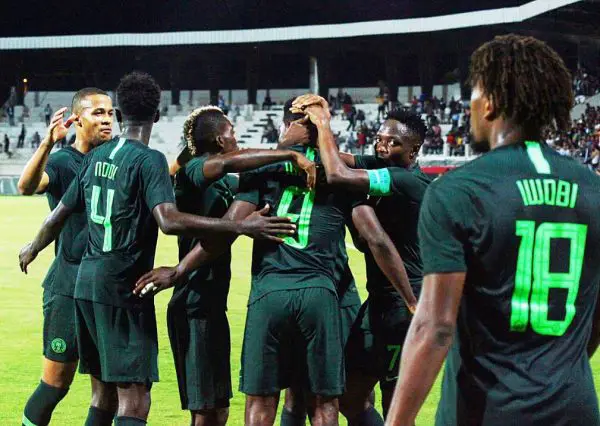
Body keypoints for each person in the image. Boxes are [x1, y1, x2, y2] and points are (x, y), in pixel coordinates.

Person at [18, 72, 295, 426]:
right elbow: (167, 220)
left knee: (104, 392)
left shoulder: (96, 156)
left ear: (120, 115)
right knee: (135, 400)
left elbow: (58, 214)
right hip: (123, 286)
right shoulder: (148, 160)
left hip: (85, 285)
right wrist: (241, 226)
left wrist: (33, 247)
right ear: (158, 115)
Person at [387, 34, 600, 426]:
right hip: (574, 409)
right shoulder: (593, 188)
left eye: (474, 93)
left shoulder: (457, 191)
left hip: (486, 412)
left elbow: (435, 327)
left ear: (490, 103)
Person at [133, 105, 315, 426]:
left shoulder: (222, 183)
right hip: (192, 303)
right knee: (205, 413)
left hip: (213, 302)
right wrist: (287, 152)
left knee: (219, 411)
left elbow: (243, 180)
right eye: (231, 131)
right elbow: (230, 162)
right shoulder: (194, 170)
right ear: (219, 139)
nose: (237, 137)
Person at [291, 95, 428, 422]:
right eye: (379, 138)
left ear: (413, 151)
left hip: (404, 303)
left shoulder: (409, 181)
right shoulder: (383, 165)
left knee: (386, 401)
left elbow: (338, 174)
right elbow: (337, 158)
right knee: (358, 397)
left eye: (393, 142)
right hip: (383, 301)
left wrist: (324, 122)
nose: (382, 146)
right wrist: (307, 136)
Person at [18, 88, 116, 426]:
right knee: (55, 384)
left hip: (105, 289)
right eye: (98, 113)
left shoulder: (116, 160)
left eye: (111, 113)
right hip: (67, 286)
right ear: (77, 119)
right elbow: (26, 187)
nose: (107, 119)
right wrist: (48, 143)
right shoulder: (62, 162)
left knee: (107, 389)